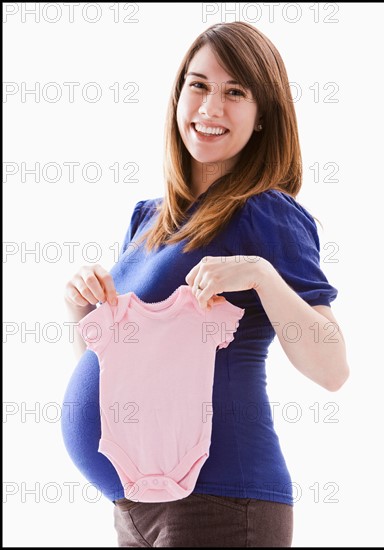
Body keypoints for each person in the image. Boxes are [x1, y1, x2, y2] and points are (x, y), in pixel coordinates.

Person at [62, 21, 350, 547]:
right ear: (178, 95)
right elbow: (119, 368)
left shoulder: (266, 213)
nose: (210, 108)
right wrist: (83, 312)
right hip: (135, 505)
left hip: (220, 502)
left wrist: (261, 277)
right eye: (198, 85)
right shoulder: (145, 219)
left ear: (263, 116)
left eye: (235, 92)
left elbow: (332, 369)